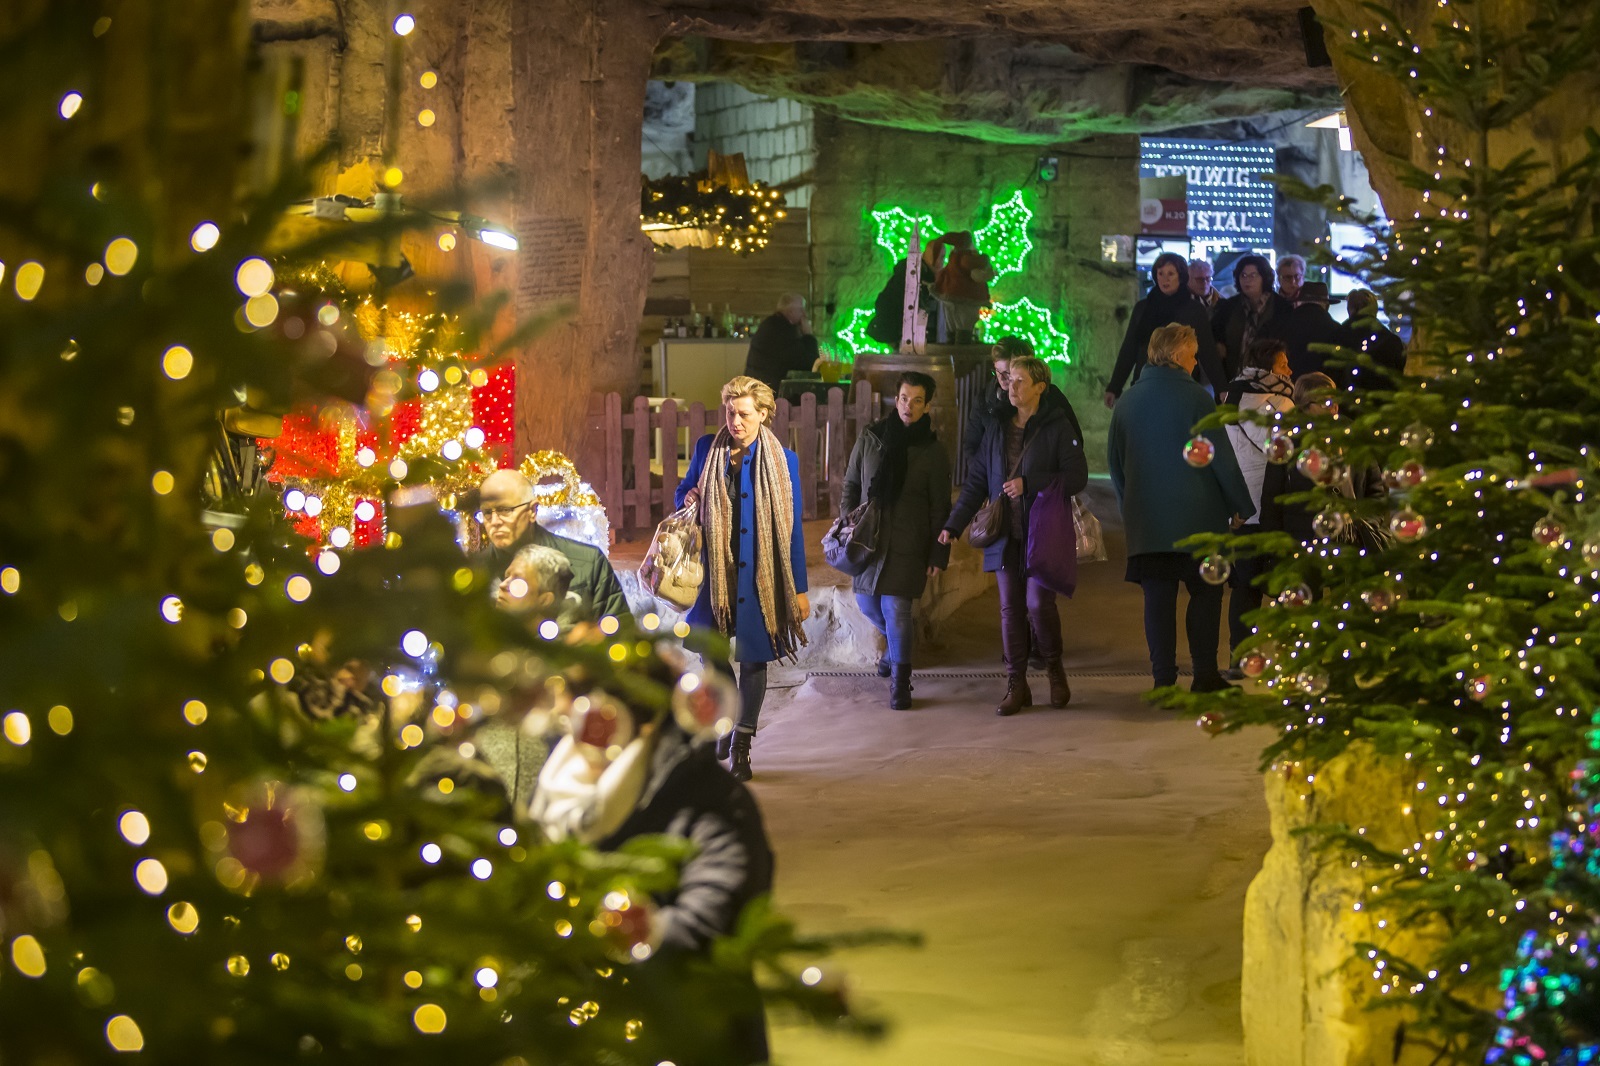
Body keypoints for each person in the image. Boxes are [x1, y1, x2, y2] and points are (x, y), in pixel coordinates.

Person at [528, 678, 775, 1065]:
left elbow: (710, 922)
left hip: (689, 1034)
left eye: (590, 723)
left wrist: (592, 944)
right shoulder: (560, 791)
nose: (572, 739)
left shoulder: (711, 800)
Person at [676, 376, 810, 780]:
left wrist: (799, 589)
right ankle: (725, 718)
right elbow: (683, 489)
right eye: (730, 412)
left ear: (765, 414)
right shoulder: (707, 448)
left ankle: (742, 743)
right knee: (711, 654)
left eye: (745, 414)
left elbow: (792, 529)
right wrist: (689, 497)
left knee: (753, 659)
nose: (735, 421)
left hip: (759, 574)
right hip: (715, 573)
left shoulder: (784, 461)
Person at [1107, 324, 1253, 692]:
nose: (1196, 360)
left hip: (1149, 523)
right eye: (1193, 353)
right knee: (1205, 593)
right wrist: (1240, 505)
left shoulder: (1127, 402)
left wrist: (1131, 508)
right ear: (1176, 356)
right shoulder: (1197, 400)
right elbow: (1220, 459)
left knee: (1158, 600)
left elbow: (1116, 465)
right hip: (1198, 518)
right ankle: (1204, 674)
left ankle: (1163, 679)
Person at [942, 356, 1088, 715]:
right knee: (1010, 610)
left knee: (1038, 605)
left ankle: (1054, 670)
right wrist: (953, 524)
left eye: (1021, 381)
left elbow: (1078, 476)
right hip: (1005, 532)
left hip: (1043, 531)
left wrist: (1030, 484)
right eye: (1009, 380)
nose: (1012, 386)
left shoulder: (1057, 427)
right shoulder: (996, 427)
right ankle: (1016, 683)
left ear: (1040, 387)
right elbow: (978, 480)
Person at [840, 371, 952, 709]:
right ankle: (894, 648)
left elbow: (940, 507)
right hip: (869, 539)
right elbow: (851, 485)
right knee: (867, 604)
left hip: (909, 541)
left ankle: (901, 685)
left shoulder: (932, 451)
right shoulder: (872, 437)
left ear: (927, 405)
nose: (909, 406)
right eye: (904, 398)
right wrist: (849, 522)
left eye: (918, 400)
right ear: (896, 399)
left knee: (898, 609)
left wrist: (937, 553)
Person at [1218, 338, 1297, 666]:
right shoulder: (1278, 402)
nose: (1289, 370)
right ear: (1268, 368)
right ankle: (1290, 659)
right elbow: (1286, 449)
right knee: (1286, 584)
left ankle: (1241, 657)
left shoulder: (1229, 394)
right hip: (1273, 505)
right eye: (1283, 365)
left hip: (1242, 505)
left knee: (1246, 587)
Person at [477, 469, 630, 621]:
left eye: (505, 510)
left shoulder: (588, 563)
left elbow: (621, 635)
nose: (495, 521)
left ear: (532, 510)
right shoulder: (473, 576)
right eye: (487, 512)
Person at [1260, 372, 1388, 547]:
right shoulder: (1287, 446)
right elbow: (1271, 504)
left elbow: (1376, 491)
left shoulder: (1355, 438)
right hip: (1306, 548)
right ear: (1304, 406)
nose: (1333, 407)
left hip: (1353, 544)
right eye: (1325, 402)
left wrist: (1365, 526)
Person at [1105, 252, 1224, 407]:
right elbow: (1130, 348)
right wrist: (1114, 387)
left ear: (1180, 276)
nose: (1164, 279)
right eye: (1160, 273)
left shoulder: (1194, 310)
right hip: (1146, 383)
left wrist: (1221, 387)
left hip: (1181, 385)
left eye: (1170, 274)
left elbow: (1207, 351)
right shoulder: (1143, 308)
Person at [1211, 253, 1296, 383]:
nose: (1247, 280)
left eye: (1253, 275)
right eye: (1243, 275)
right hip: (1233, 378)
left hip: (1269, 381)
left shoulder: (1281, 308)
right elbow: (1216, 335)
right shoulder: (1228, 307)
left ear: (1264, 277)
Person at [960, 336, 1032, 471]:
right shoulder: (984, 400)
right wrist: (983, 477)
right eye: (997, 372)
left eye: (1008, 373)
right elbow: (972, 444)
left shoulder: (1045, 399)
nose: (1001, 378)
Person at [1265, 281, 1361, 380]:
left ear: (1298, 302)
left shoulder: (1277, 325)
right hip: (1324, 390)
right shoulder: (1337, 330)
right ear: (1327, 305)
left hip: (1284, 387)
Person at [924, 230, 995, 343]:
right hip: (965, 297)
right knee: (964, 326)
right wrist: (985, 259)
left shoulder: (953, 259)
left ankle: (952, 342)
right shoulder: (965, 259)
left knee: (952, 326)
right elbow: (977, 270)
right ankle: (961, 348)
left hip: (949, 295)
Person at [743, 293, 820, 391]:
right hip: (766, 392)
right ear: (791, 311)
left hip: (755, 387)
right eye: (801, 309)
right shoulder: (782, 330)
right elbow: (809, 362)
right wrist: (808, 335)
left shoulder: (773, 324)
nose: (804, 314)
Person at [1343, 288, 1407, 392]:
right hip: (1382, 401)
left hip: (1345, 401)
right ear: (1374, 309)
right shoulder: (1391, 340)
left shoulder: (1337, 336)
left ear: (1349, 309)